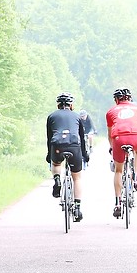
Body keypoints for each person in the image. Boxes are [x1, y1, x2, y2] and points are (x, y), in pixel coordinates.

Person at [106, 87, 137, 219]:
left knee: (118, 171)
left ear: (116, 100)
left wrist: (112, 147)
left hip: (118, 138)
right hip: (136, 137)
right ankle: (136, 177)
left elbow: (109, 135)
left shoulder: (110, 111)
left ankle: (118, 204)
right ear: (130, 98)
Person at [46, 92, 88, 222]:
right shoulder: (77, 117)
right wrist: (85, 155)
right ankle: (77, 207)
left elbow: (49, 138)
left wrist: (49, 154)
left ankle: (57, 180)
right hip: (74, 146)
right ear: (71, 105)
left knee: (56, 164)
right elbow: (82, 138)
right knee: (77, 178)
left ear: (58, 104)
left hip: (57, 145)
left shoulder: (51, 116)